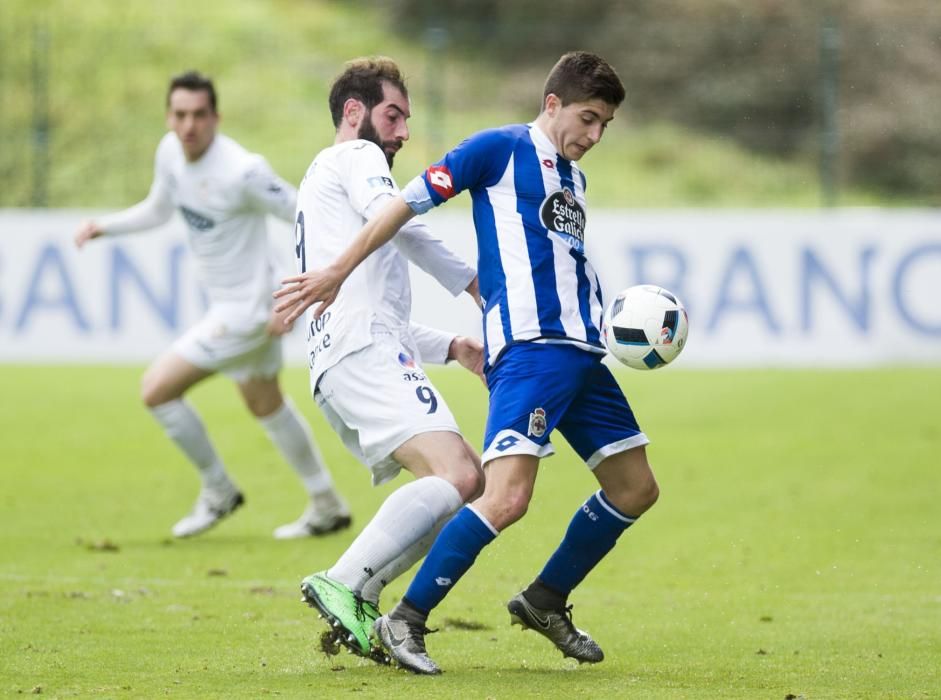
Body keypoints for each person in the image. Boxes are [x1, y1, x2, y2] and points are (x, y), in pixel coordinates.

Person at [274, 51, 662, 675]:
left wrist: (454, 344)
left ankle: (544, 598)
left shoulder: (572, 179)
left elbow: (395, 299)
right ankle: (396, 611)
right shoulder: (488, 149)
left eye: (605, 127)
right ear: (552, 103)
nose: (594, 136)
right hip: (531, 349)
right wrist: (346, 272)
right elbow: (402, 211)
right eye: (587, 118)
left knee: (634, 486)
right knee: (493, 492)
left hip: (580, 353)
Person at [74, 70, 352, 540]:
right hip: (237, 307)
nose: (189, 126)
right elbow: (159, 209)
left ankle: (218, 490)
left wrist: (298, 294)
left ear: (216, 117)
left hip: (246, 314)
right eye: (180, 115)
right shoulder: (169, 153)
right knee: (266, 404)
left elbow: (304, 214)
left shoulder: (244, 171)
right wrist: (104, 227)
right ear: (169, 116)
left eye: (199, 115)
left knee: (156, 390)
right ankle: (326, 503)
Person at [284, 57, 485, 662]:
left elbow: (378, 308)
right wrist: (477, 284)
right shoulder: (355, 157)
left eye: (405, 120)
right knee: (459, 477)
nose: (400, 133)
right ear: (354, 112)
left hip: (344, 356)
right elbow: (398, 220)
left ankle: (362, 599)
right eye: (392, 115)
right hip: (360, 352)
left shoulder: (320, 180)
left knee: (467, 482)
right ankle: (345, 581)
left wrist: (450, 345)